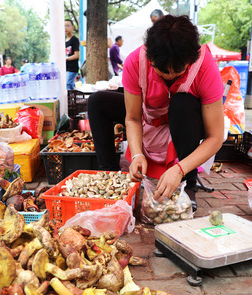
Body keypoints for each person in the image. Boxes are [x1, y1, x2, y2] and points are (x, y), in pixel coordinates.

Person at [88, 15, 224, 209]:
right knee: (97, 101)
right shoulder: (136, 61)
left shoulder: (205, 67)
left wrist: (180, 169)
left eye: (177, 72)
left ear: (190, 60)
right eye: (162, 71)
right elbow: (133, 117)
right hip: (149, 117)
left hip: (185, 121)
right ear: (150, 58)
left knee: (182, 102)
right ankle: (110, 174)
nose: (169, 76)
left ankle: (189, 184)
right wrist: (136, 155)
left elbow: (216, 137)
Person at [65, 19, 80, 90]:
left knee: (68, 84)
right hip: (65, 68)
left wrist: (66, 58)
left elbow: (77, 55)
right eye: (64, 26)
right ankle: (71, 100)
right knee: (68, 85)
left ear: (73, 27)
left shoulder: (74, 40)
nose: (66, 28)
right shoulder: (64, 40)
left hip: (72, 68)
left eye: (68, 26)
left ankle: (69, 100)